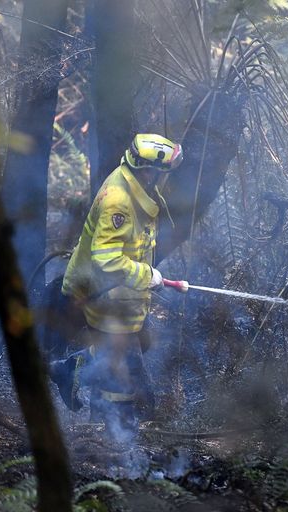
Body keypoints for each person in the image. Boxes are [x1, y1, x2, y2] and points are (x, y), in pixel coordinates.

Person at [49, 133, 184, 441]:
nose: (165, 179)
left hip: (117, 292)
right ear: (148, 170)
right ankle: (120, 436)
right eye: (163, 172)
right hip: (99, 292)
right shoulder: (118, 201)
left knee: (134, 348)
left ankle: (74, 368)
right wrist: (147, 275)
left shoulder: (135, 185)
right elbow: (107, 259)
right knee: (126, 373)